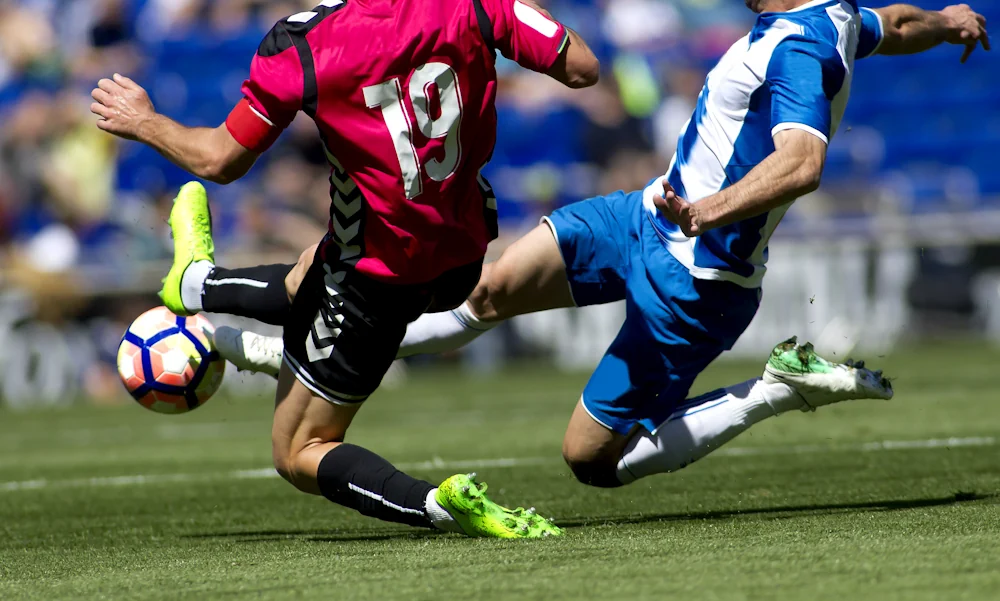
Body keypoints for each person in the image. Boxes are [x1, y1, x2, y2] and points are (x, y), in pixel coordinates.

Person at [189, 1, 989, 490]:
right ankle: (295, 356)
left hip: (699, 271)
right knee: (486, 289)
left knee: (590, 460)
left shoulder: (799, 48)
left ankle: (779, 387)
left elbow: (803, 160)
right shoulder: (830, 18)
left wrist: (711, 209)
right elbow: (899, 24)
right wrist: (948, 19)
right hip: (642, 215)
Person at [91, 0, 599, 538]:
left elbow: (220, 160)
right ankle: (197, 283)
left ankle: (437, 505)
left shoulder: (304, 45)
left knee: (298, 451)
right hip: (461, 250)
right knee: (314, 267)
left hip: (374, 282)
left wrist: (145, 122)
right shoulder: (476, 4)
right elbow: (584, 69)